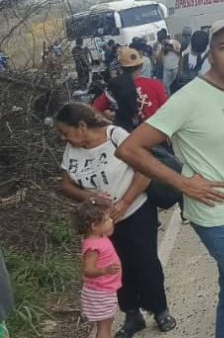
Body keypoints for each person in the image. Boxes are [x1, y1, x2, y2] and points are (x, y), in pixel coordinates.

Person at [117, 18, 224, 338]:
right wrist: (183, 183)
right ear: (211, 54)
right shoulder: (190, 98)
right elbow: (131, 148)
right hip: (217, 213)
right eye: (223, 47)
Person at [56, 103, 176, 337]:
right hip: (101, 226)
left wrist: (124, 203)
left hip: (135, 212)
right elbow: (66, 185)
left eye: (65, 132)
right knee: (116, 268)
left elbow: (145, 170)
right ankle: (132, 314)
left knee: (146, 264)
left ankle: (159, 309)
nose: (63, 138)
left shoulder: (116, 136)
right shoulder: (72, 150)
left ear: (81, 126)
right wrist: (88, 196)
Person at [74, 200, 121, 338]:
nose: (111, 220)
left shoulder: (99, 236)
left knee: (107, 322)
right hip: (100, 292)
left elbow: (110, 229)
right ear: (94, 226)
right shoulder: (92, 247)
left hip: (104, 289)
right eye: (107, 219)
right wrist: (104, 270)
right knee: (104, 326)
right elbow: (88, 270)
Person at [92, 47, 169, 132]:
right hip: (155, 134)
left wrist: (109, 121)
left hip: (128, 137)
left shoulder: (114, 87)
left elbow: (94, 110)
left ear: (121, 68)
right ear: (141, 65)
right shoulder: (157, 84)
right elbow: (166, 111)